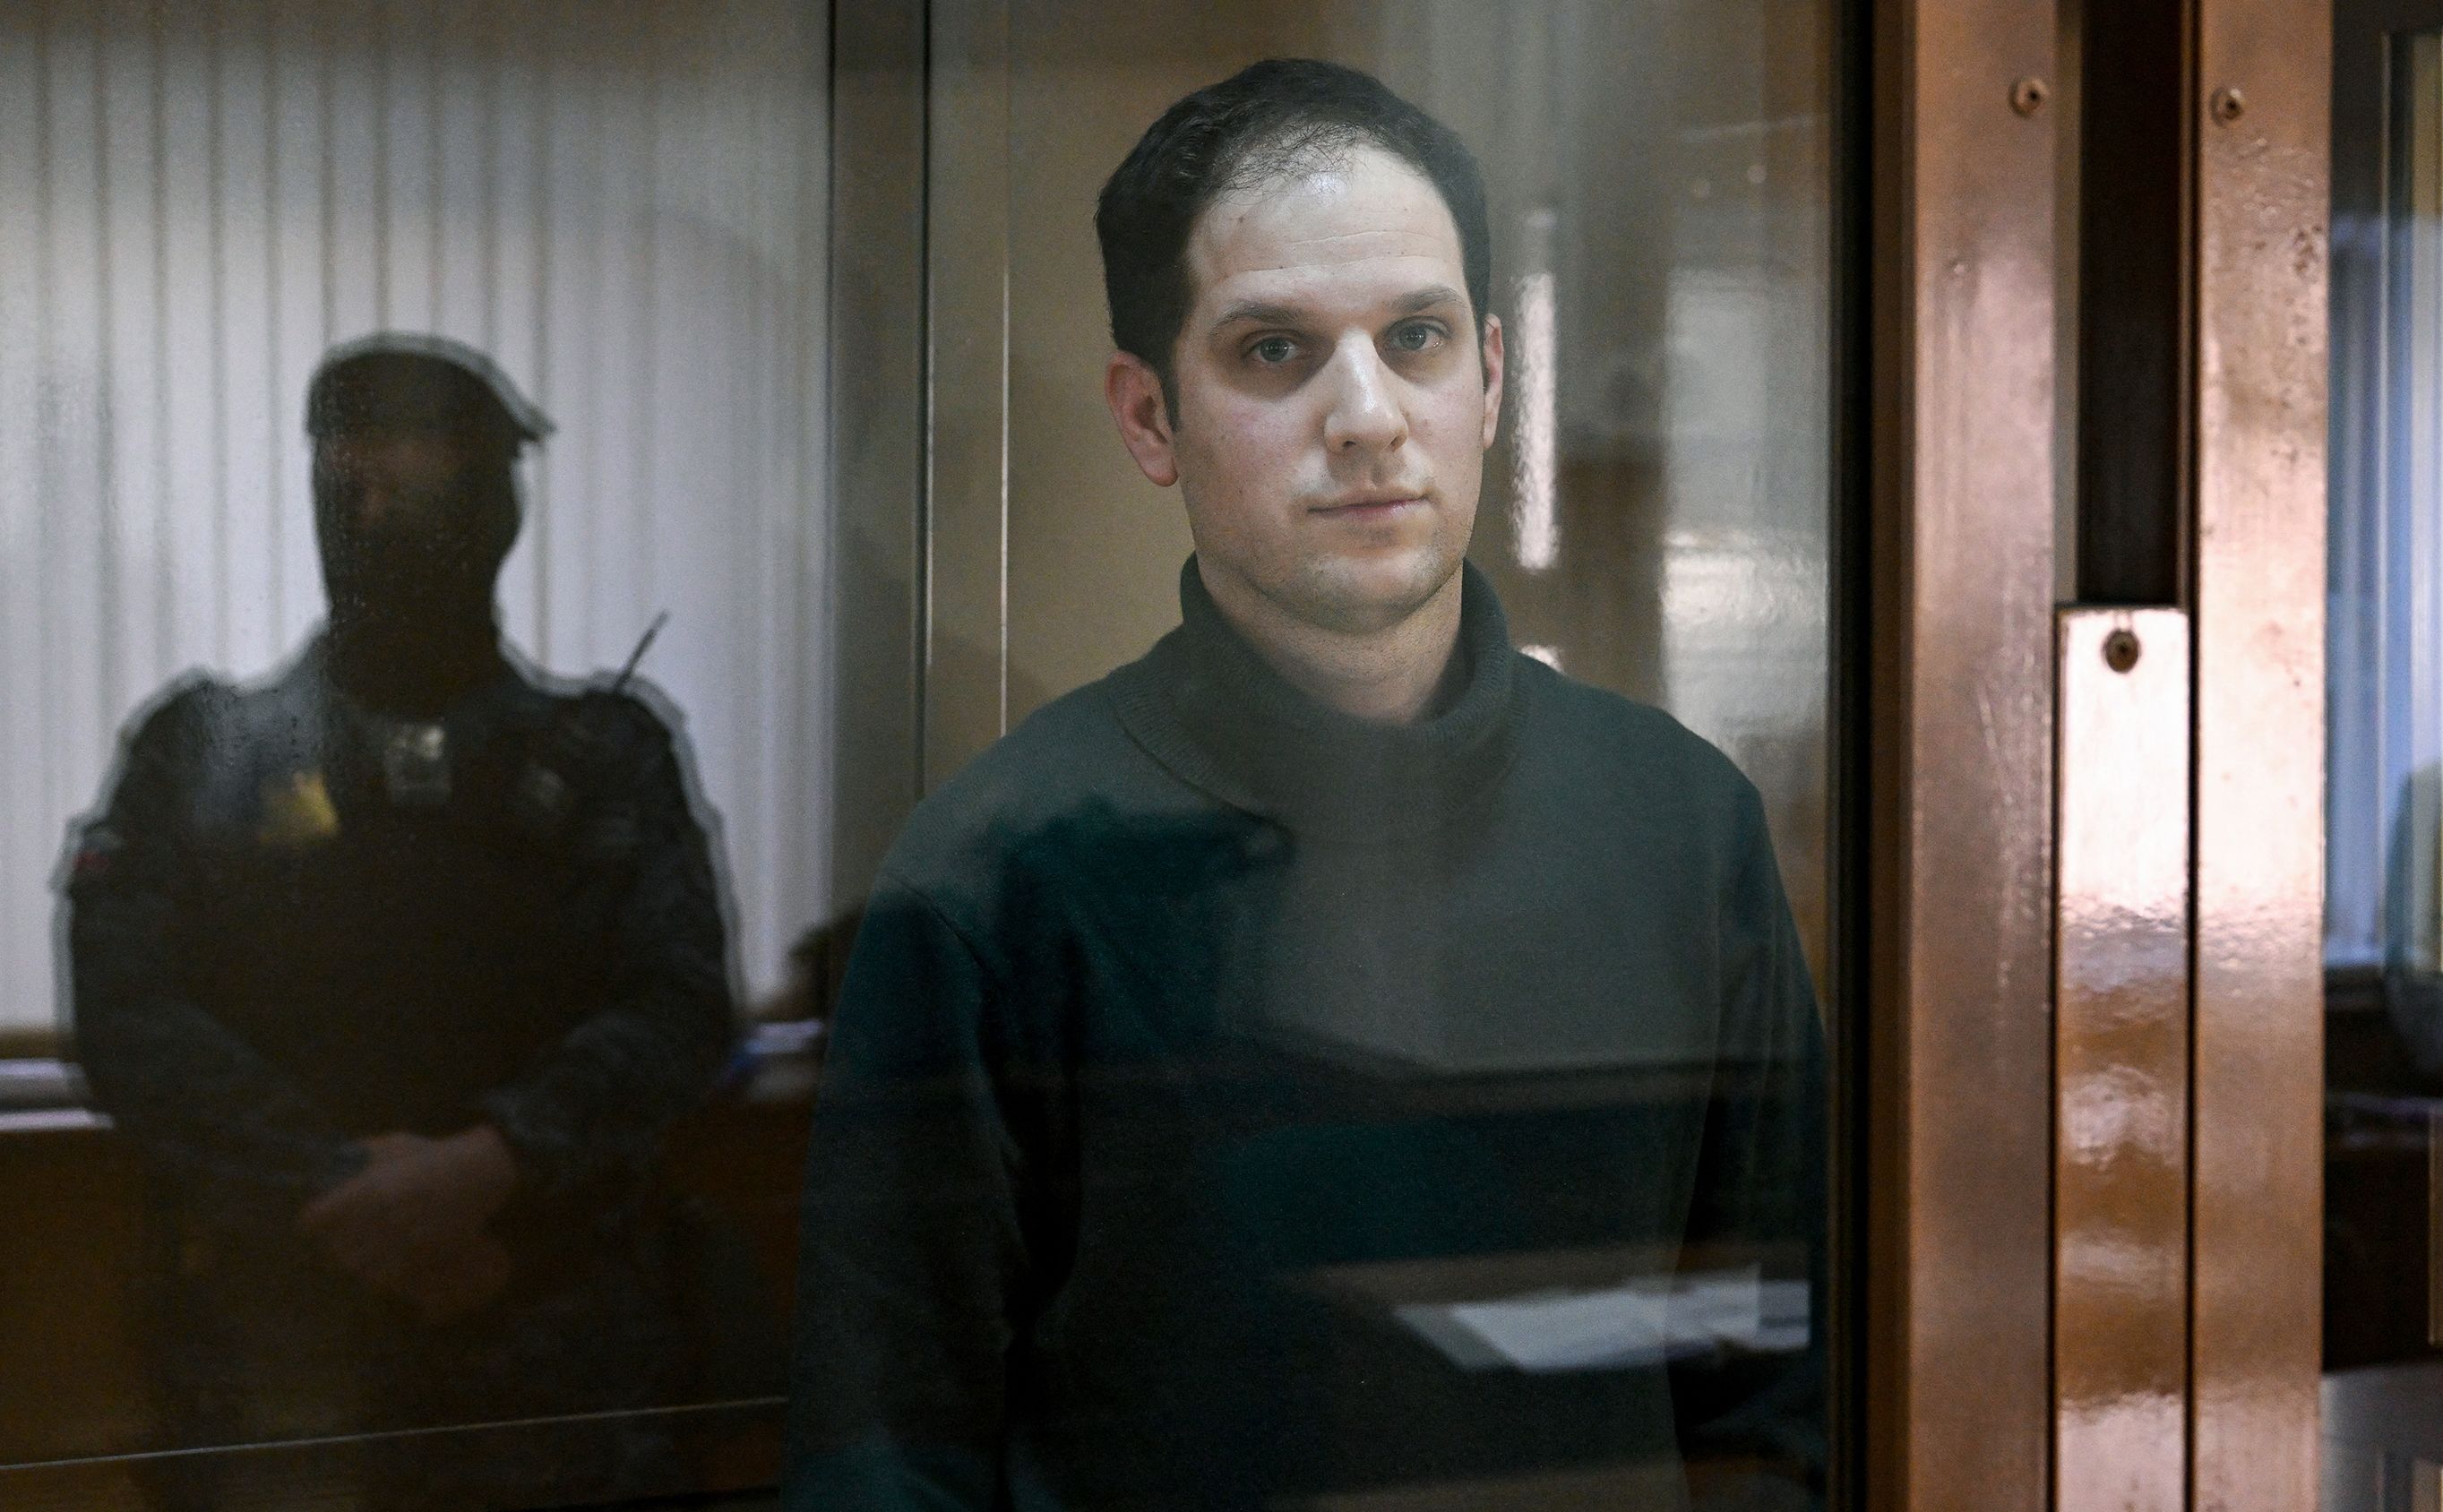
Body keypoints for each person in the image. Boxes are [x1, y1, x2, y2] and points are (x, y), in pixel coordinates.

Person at [787, 59, 1825, 1510]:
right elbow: (890, 1465)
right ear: (1149, 417)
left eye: (1417, 338)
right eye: (1275, 352)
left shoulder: (1679, 824)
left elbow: (1783, 1400)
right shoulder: (992, 878)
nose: (1369, 414)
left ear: (1492, 378)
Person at [62, 334, 737, 1509]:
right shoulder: (201, 752)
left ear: (496, 505)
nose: (375, 511)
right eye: (350, 480)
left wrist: (493, 1161)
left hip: (557, 1358)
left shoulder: (607, 754)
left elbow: (679, 1007)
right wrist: (357, 1192)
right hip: (284, 1361)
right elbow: (132, 1022)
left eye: (418, 480)